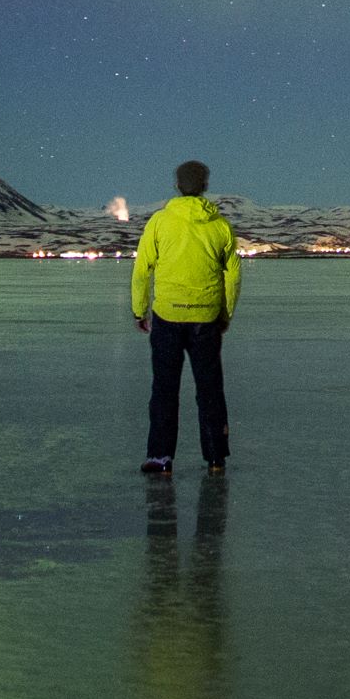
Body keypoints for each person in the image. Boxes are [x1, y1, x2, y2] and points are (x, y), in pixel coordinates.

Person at [131, 159, 240, 474]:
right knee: (210, 389)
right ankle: (216, 457)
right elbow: (232, 275)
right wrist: (225, 313)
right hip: (206, 318)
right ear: (205, 185)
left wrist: (139, 309)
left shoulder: (160, 222)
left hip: (167, 316)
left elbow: (142, 270)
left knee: (164, 388)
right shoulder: (219, 225)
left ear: (177, 185)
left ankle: (160, 457)